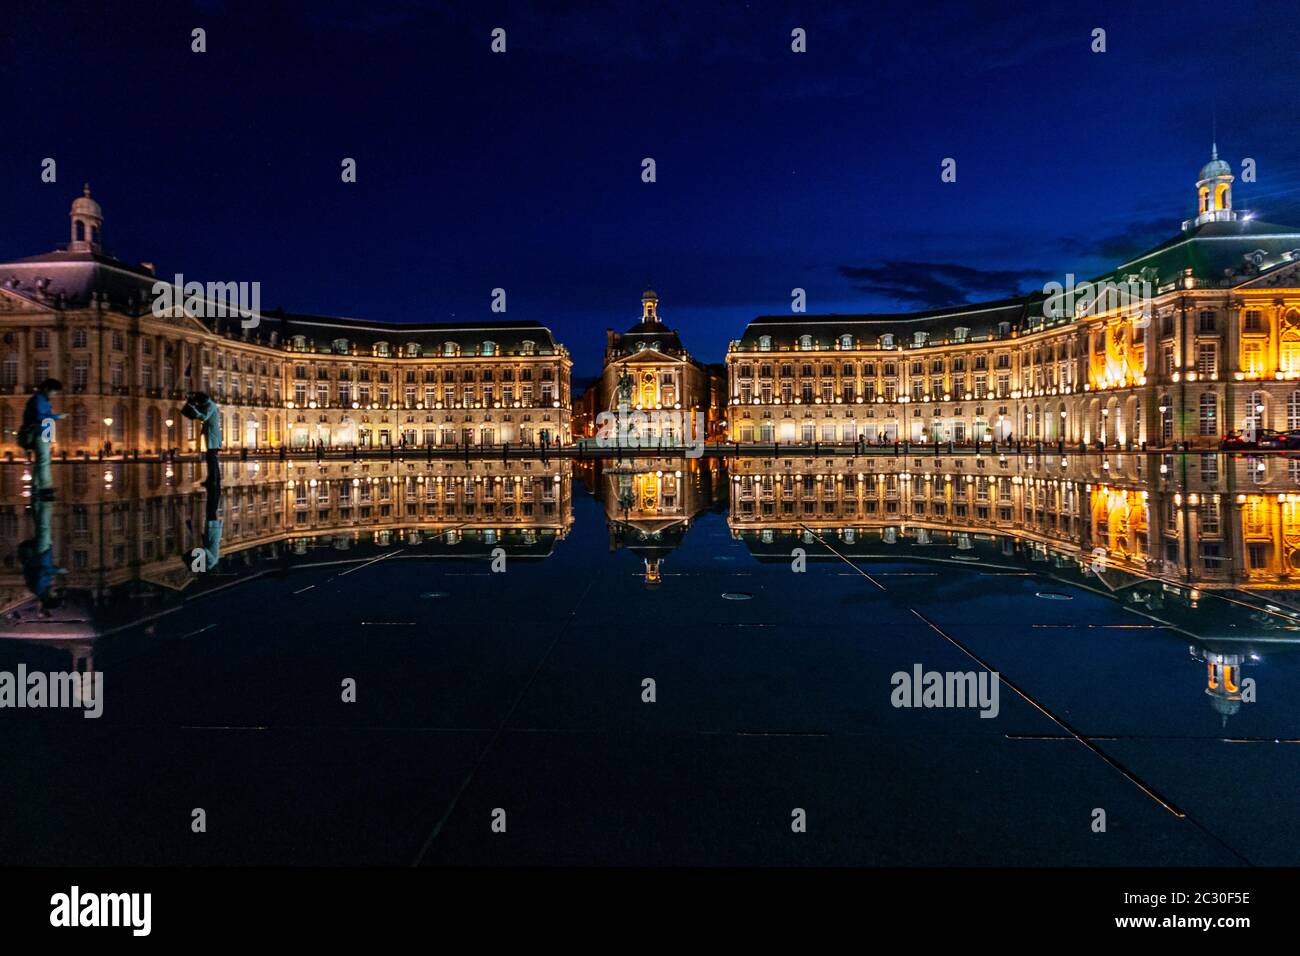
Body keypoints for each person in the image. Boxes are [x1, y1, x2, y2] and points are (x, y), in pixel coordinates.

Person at [21, 378, 64, 500]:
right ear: (47, 389)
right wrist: (58, 416)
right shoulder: (39, 399)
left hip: (42, 431)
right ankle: (45, 488)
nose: (54, 395)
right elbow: (41, 416)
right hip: (40, 431)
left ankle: (35, 486)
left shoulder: (39, 398)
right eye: (54, 392)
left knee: (40, 460)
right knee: (44, 461)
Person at [181, 392, 223, 484]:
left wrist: (194, 408)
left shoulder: (210, 405)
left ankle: (212, 481)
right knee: (212, 459)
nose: (198, 404)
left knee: (211, 459)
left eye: (198, 402)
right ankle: (214, 480)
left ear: (202, 400)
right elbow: (197, 411)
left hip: (213, 436)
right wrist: (191, 405)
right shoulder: (206, 404)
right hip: (210, 435)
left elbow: (204, 417)